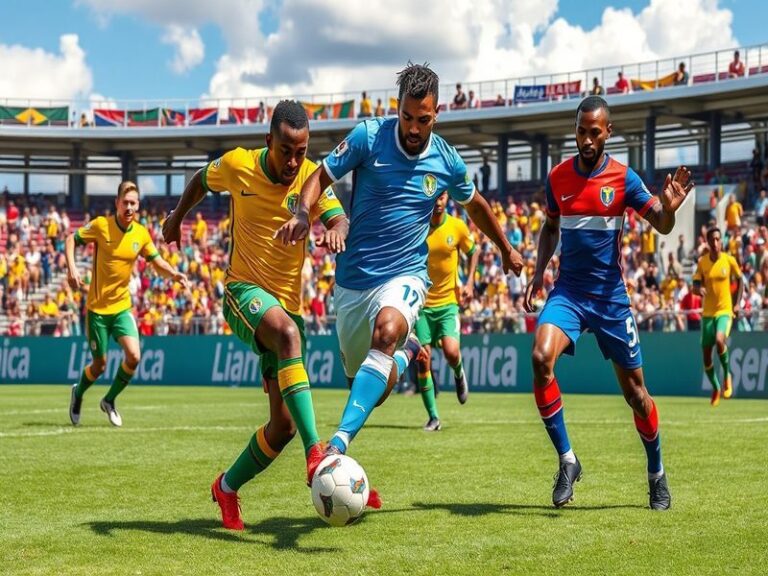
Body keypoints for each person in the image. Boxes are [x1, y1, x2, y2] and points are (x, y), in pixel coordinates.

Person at [277, 62, 523, 463]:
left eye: (422, 120)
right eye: (407, 117)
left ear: (436, 115)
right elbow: (320, 176)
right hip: (353, 283)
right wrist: (304, 213)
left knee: (387, 330)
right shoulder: (368, 137)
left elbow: (475, 205)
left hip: (407, 275)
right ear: (398, 107)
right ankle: (408, 352)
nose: (412, 128)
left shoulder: (446, 160)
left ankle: (337, 445)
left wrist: (504, 247)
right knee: (371, 387)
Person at [162, 100, 348, 530]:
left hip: (287, 310)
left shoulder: (310, 177)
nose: (294, 160)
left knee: (280, 427)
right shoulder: (238, 165)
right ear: (269, 141)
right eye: (286, 150)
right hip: (243, 292)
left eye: (301, 151)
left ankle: (225, 487)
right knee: (287, 335)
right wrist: (176, 218)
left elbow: (339, 220)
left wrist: (335, 231)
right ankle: (316, 452)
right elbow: (199, 181)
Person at [523, 96, 693, 511]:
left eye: (594, 132)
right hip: (569, 293)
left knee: (636, 394)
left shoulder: (623, 179)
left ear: (608, 133)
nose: (586, 139)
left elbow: (662, 223)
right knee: (541, 358)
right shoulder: (558, 178)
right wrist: (539, 269)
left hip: (611, 299)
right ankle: (568, 460)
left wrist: (669, 210)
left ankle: (656, 474)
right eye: (581, 131)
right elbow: (550, 227)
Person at [66, 181, 188, 428]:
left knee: (133, 356)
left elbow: (156, 261)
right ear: (117, 203)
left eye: (133, 203)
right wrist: (72, 269)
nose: (129, 207)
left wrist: (174, 274)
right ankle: (78, 393)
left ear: (138, 205)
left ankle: (109, 400)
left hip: (122, 308)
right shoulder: (101, 226)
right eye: (126, 202)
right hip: (97, 310)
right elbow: (71, 239)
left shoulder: (141, 234)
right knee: (99, 366)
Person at [414, 191, 480, 431]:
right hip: (421, 305)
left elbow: (474, 252)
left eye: (442, 196)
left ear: (447, 199)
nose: (438, 202)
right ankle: (433, 417)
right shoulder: (417, 228)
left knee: (452, 352)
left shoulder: (457, 227)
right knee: (423, 360)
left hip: (448, 303)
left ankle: (459, 372)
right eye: (434, 197)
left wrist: (470, 282)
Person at [692, 227, 743, 406]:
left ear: (721, 241)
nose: (715, 243)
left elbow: (740, 279)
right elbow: (695, 285)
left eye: (717, 239)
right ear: (708, 242)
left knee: (720, 340)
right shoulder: (702, 262)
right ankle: (716, 388)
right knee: (706, 356)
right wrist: (699, 289)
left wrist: (737, 303)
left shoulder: (729, 261)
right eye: (712, 240)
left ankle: (727, 375)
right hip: (707, 314)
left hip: (724, 311)